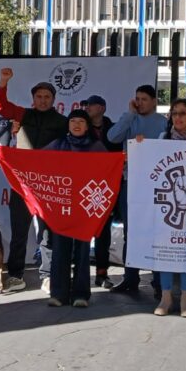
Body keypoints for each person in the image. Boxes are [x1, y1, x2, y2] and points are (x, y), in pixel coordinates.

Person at [0, 67, 68, 294]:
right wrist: (3, 82)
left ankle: (48, 275)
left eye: (47, 97)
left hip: (48, 184)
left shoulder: (63, 121)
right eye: (39, 96)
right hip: (22, 183)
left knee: (47, 232)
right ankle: (15, 275)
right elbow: (0, 107)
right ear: (33, 99)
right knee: (19, 231)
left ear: (54, 99)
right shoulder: (22, 114)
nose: (43, 100)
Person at [138, 98, 186, 318]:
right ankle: (166, 296)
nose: (177, 117)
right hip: (168, 204)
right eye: (174, 113)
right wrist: (141, 147)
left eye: (182, 113)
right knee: (166, 249)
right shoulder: (162, 139)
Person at [107, 84, 168, 295]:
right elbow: (112, 137)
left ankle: (159, 281)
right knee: (131, 233)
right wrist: (129, 114)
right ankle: (130, 278)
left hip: (157, 187)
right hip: (130, 183)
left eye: (144, 99)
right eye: (137, 98)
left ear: (154, 102)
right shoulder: (130, 119)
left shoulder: (163, 123)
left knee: (158, 233)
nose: (140, 102)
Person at [44, 109, 107, 307]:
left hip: (85, 207)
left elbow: (108, 170)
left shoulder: (96, 147)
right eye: (73, 121)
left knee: (82, 251)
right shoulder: (58, 144)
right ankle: (58, 294)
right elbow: (37, 161)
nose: (76, 124)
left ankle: (81, 294)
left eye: (81, 121)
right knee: (60, 249)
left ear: (88, 126)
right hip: (61, 206)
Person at [82, 94, 121, 288]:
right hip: (84, 186)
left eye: (92, 105)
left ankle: (102, 273)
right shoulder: (81, 128)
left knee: (103, 231)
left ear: (102, 108)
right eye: (86, 105)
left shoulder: (115, 129)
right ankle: (80, 274)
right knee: (81, 230)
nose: (87, 107)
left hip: (107, 186)